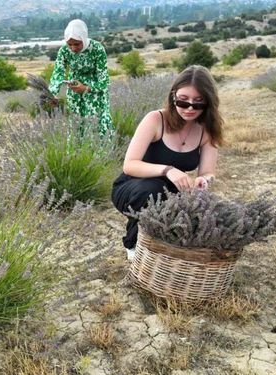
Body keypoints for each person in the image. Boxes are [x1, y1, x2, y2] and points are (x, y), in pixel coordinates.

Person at [111, 65, 224, 261]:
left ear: (208, 103)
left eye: (198, 103)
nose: (190, 108)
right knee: (153, 190)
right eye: (183, 100)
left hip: (174, 192)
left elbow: (207, 171)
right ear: (173, 96)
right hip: (132, 187)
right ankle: (133, 244)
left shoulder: (207, 129)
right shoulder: (156, 119)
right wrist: (168, 170)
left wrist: (204, 181)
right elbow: (129, 165)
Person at [49, 19, 113, 136]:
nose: (73, 48)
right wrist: (52, 94)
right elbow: (58, 74)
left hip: (95, 95)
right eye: (70, 44)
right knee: (75, 126)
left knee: (96, 127)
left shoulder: (97, 49)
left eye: (77, 44)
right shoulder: (64, 51)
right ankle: (78, 154)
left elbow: (104, 81)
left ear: (83, 38)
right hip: (74, 94)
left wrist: (86, 88)